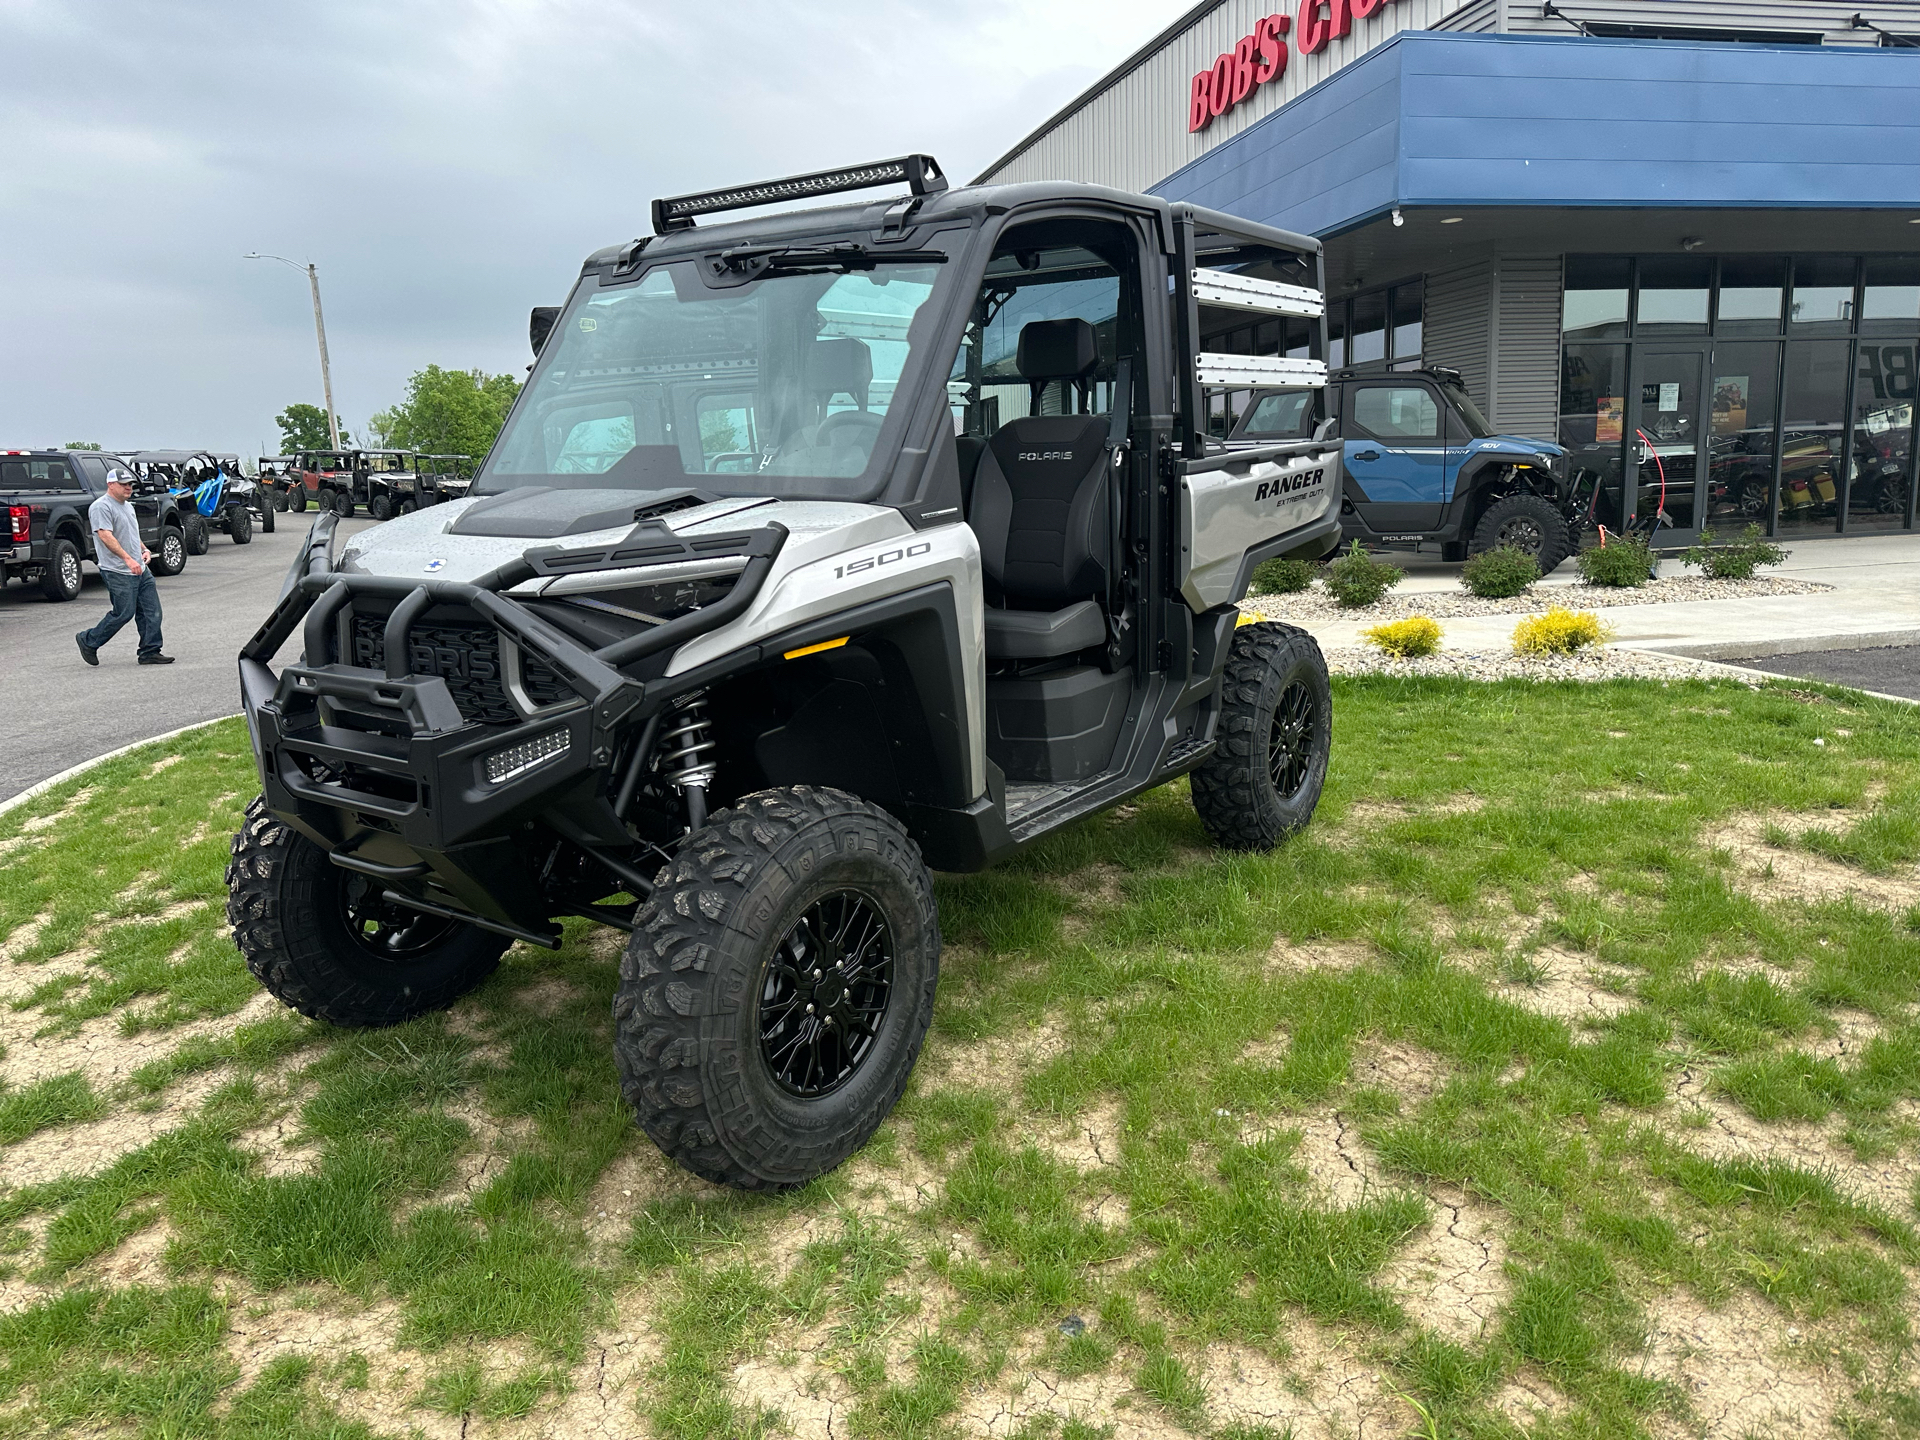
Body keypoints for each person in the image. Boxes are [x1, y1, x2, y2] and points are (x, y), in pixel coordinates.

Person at [75, 465, 173, 666]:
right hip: (117, 570)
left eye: (130, 484)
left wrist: (144, 550)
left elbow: (130, 535)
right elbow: (105, 535)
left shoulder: (128, 506)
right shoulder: (101, 506)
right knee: (124, 612)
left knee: (151, 610)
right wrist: (128, 559)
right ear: (111, 485)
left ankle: (150, 651)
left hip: (139, 568)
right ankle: (88, 640)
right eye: (124, 484)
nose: (128, 488)